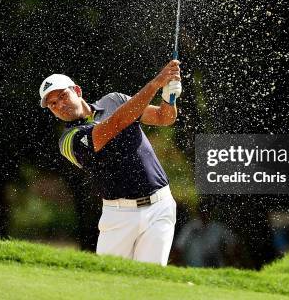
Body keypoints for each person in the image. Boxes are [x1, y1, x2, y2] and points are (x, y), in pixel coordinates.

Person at [40, 60, 182, 266]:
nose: (60, 105)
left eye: (63, 96)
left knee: (150, 280)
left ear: (77, 91)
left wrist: (169, 95)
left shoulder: (114, 100)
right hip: (118, 216)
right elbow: (115, 124)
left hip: (160, 206)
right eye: (53, 104)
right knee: (109, 281)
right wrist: (155, 84)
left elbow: (163, 117)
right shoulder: (68, 140)